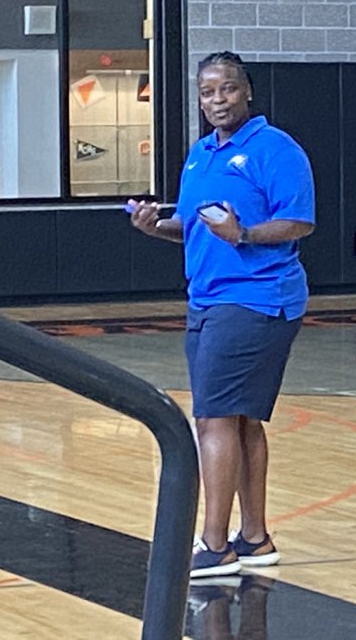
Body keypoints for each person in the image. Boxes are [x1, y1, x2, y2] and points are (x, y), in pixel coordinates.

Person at [129, 51, 315, 579]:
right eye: (207, 92)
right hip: (208, 299)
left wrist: (246, 234)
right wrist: (154, 227)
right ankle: (254, 538)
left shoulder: (275, 149)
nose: (217, 100)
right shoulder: (200, 155)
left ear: (247, 91)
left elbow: (299, 222)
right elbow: (194, 226)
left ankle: (214, 545)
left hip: (256, 299)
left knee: (213, 418)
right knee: (240, 419)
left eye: (227, 89)